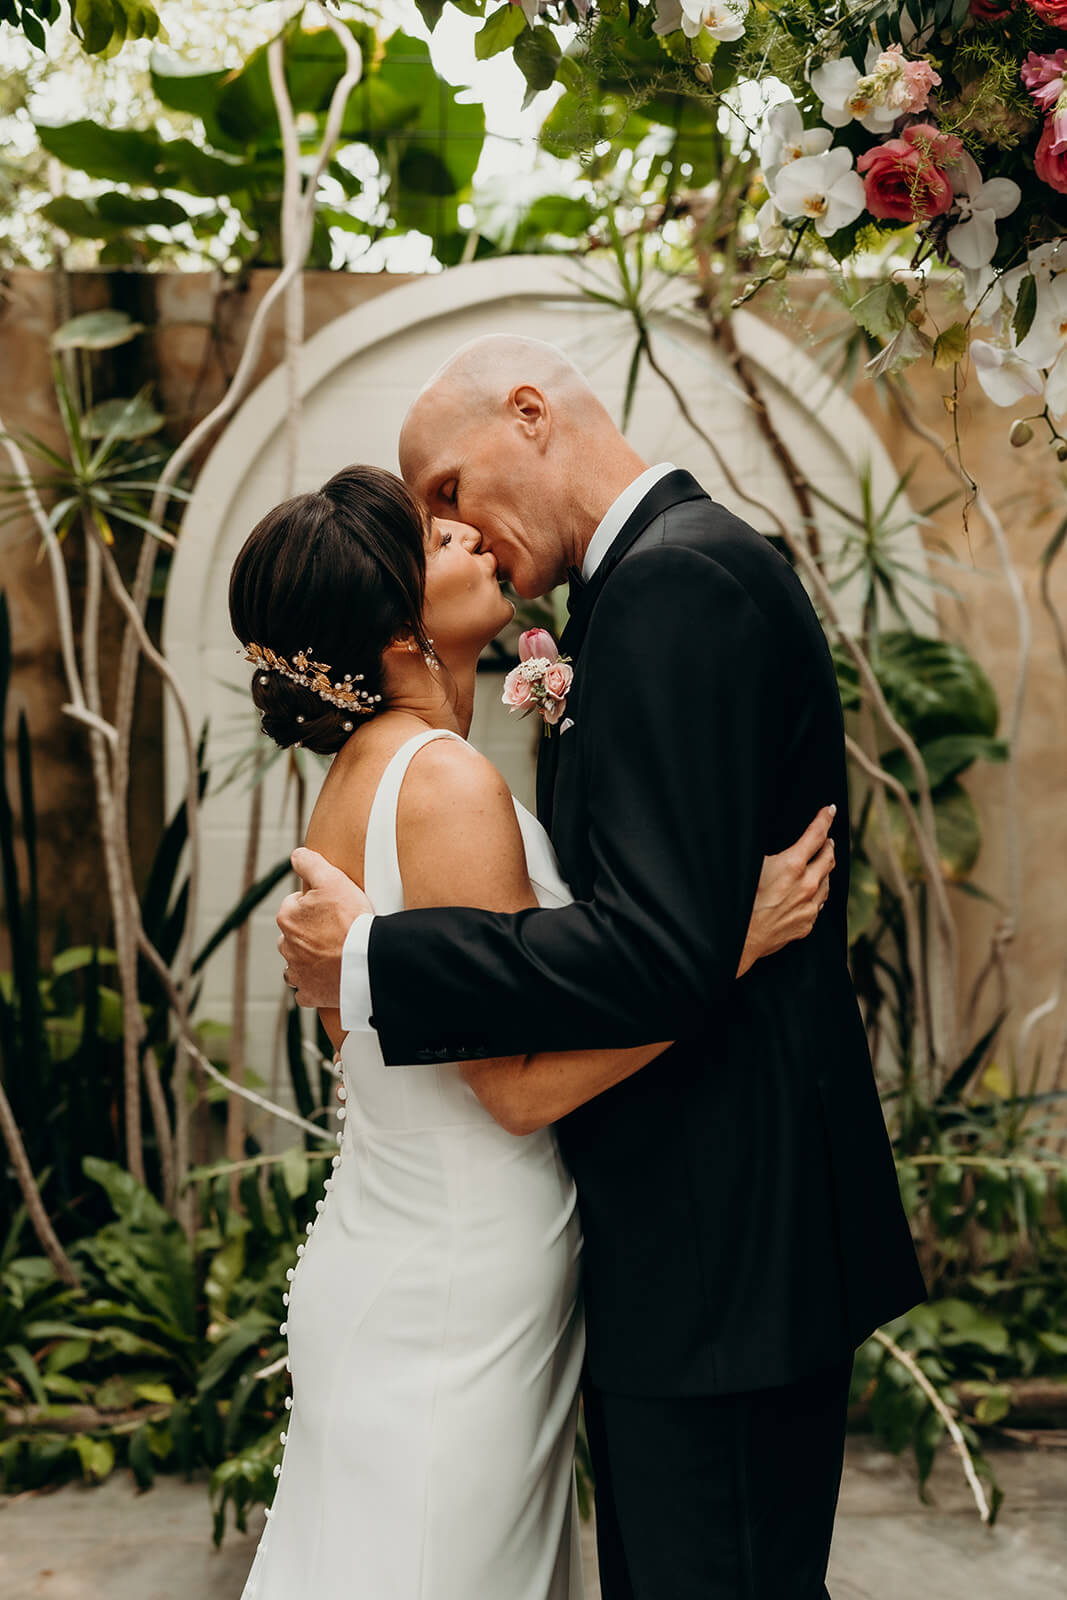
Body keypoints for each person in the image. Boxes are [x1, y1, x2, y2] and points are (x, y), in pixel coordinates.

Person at [277, 336, 927, 1600]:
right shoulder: (639, 589)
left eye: (448, 490)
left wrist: (374, 962)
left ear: (530, 415)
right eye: (425, 523)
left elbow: (652, 944)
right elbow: (672, 934)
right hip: (670, 1256)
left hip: (721, 1254)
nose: (447, 532)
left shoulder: (674, 582)